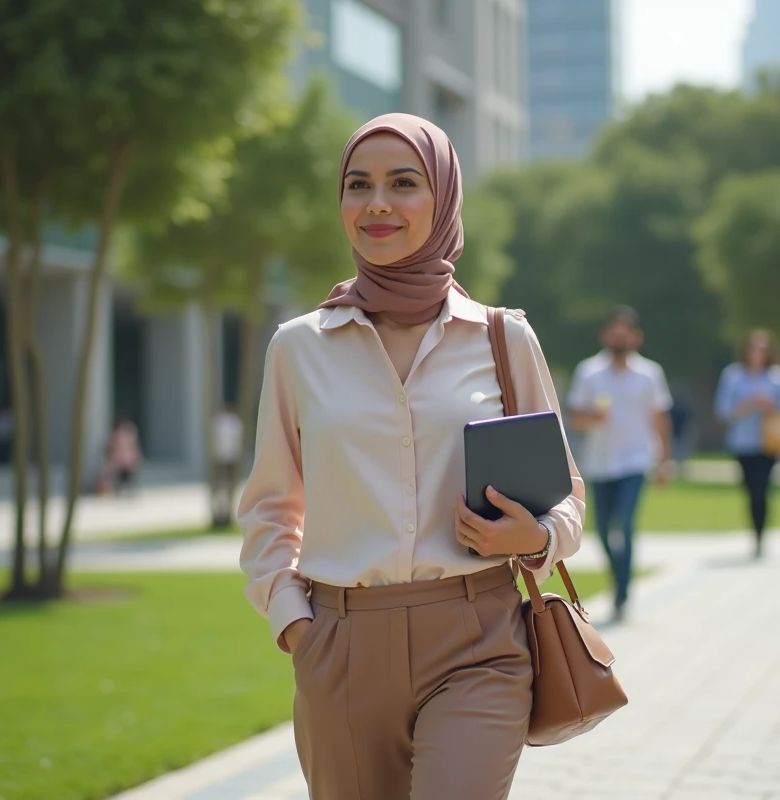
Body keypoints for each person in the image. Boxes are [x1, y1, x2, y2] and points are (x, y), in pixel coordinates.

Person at [237, 114, 585, 800]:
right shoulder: (298, 348)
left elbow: (568, 495)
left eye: (404, 183)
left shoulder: (503, 339)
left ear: (445, 197)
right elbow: (271, 506)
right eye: (357, 185)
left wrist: (539, 536)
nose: (377, 205)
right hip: (338, 646)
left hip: (478, 642)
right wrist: (295, 626)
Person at [567, 306, 672, 621]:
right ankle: (619, 581)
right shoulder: (589, 372)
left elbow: (659, 418)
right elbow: (575, 419)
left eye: (625, 333)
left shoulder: (650, 374)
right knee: (601, 531)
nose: (619, 338)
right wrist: (592, 418)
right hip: (600, 464)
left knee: (624, 526)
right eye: (614, 332)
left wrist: (665, 461)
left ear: (636, 337)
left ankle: (623, 594)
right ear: (605, 335)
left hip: (635, 461)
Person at [713, 330, 780, 559]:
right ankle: (756, 529)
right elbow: (722, 410)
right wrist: (748, 404)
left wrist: (769, 406)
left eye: (762, 349)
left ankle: (760, 536)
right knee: (750, 490)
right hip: (742, 443)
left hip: (768, 443)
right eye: (754, 348)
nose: (757, 353)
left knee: (762, 490)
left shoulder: (777, 377)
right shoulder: (733, 376)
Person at [211, 404, 244, 528]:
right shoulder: (233, 423)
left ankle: (225, 511)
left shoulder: (224, 423)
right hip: (226, 457)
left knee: (224, 485)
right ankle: (222, 511)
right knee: (223, 485)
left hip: (225, 457)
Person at [105, 415, 143, 496]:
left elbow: (111, 446)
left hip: (122, 458)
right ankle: (125, 491)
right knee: (126, 477)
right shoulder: (129, 432)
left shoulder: (118, 433)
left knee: (123, 477)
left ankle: (122, 491)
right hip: (126, 458)